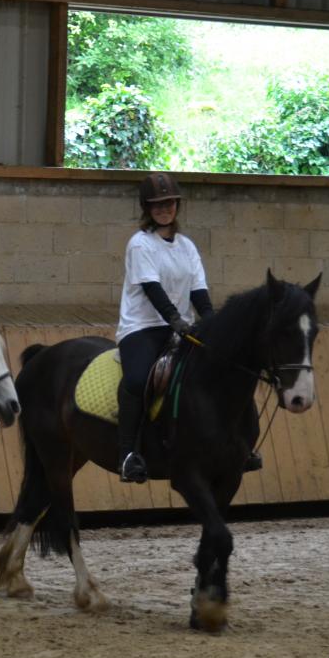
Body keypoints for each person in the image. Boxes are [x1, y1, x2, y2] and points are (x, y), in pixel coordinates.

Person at [114, 172, 215, 483]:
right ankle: (128, 454)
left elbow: (199, 292)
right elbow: (152, 288)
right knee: (137, 379)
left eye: (169, 203)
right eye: (157, 205)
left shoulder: (187, 246)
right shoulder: (140, 244)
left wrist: (213, 325)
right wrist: (175, 320)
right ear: (147, 207)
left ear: (176, 205)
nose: (164, 209)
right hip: (142, 327)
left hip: (179, 329)